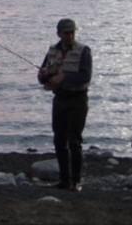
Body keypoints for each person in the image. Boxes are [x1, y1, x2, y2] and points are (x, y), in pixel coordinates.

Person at [37, 18, 92, 192]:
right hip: (60, 99)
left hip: (78, 99)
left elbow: (85, 77)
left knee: (75, 141)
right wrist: (45, 76)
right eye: (66, 32)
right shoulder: (52, 51)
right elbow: (41, 77)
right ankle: (63, 180)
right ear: (59, 34)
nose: (69, 35)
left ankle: (76, 181)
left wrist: (62, 78)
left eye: (72, 32)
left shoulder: (84, 51)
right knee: (59, 140)